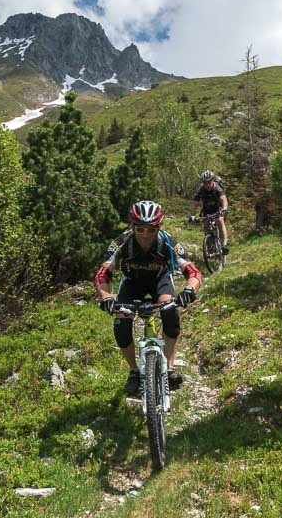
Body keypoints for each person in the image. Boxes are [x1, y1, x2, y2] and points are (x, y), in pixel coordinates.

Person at [94, 200, 202, 396]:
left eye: (150, 230)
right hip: (131, 283)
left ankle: (169, 368)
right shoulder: (121, 243)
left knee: (170, 311)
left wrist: (189, 289)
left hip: (159, 280)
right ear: (133, 226)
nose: (145, 234)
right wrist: (106, 297)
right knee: (121, 323)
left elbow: (192, 270)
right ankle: (134, 372)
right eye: (140, 229)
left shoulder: (168, 241)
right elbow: (103, 274)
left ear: (158, 227)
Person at [190, 170, 229, 253]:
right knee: (206, 224)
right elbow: (194, 203)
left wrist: (224, 208)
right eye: (205, 183)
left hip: (218, 209)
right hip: (207, 210)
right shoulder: (201, 190)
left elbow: (224, 199)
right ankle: (209, 245)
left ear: (212, 180)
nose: (207, 185)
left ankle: (224, 244)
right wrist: (192, 215)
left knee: (220, 221)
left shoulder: (217, 188)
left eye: (209, 182)